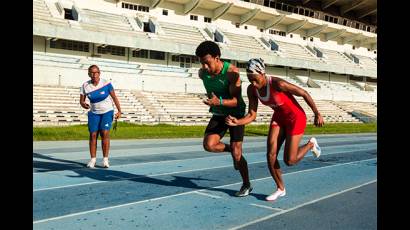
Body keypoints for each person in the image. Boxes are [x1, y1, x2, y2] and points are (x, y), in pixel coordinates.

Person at [225, 58, 324, 201]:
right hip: (279, 117)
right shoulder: (252, 89)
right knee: (270, 154)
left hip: (296, 118)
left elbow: (303, 93)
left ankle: (310, 144)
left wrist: (317, 113)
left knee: (289, 160)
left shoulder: (278, 84)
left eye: (255, 79)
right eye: (249, 79)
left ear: (262, 73)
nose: (253, 83)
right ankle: (280, 188)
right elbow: (252, 115)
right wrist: (238, 122)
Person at [195, 41, 252, 197]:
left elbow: (236, 101)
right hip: (219, 113)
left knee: (238, 153)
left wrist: (218, 101)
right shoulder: (202, 73)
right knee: (209, 145)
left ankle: (246, 184)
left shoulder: (231, 72)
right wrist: (214, 101)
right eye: (202, 63)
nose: (204, 67)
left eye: (207, 63)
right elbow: (210, 86)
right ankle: (231, 150)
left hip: (235, 114)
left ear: (217, 57)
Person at [80, 65, 121, 168]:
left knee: (104, 133)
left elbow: (114, 97)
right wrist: (83, 104)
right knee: (93, 135)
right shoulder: (85, 85)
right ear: (89, 74)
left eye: (96, 72)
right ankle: (93, 160)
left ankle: (105, 160)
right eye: (92, 73)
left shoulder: (106, 83)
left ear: (99, 73)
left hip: (107, 111)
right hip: (94, 113)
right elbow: (82, 100)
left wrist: (119, 111)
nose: (94, 75)